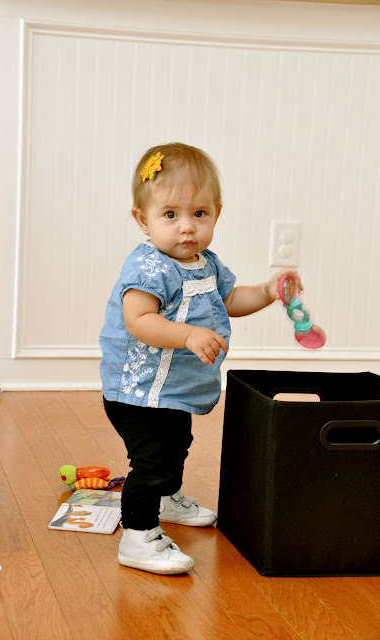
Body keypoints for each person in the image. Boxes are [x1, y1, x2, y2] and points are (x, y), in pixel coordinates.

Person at [99, 142, 302, 575]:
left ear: (216, 214)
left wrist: (267, 292)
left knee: (177, 444)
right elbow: (139, 320)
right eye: (170, 215)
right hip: (138, 391)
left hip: (174, 389)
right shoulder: (148, 268)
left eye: (199, 213)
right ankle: (137, 535)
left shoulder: (206, 264)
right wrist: (189, 334)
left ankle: (166, 499)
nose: (187, 227)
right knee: (152, 460)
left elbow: (230, 299)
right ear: (143, 219)